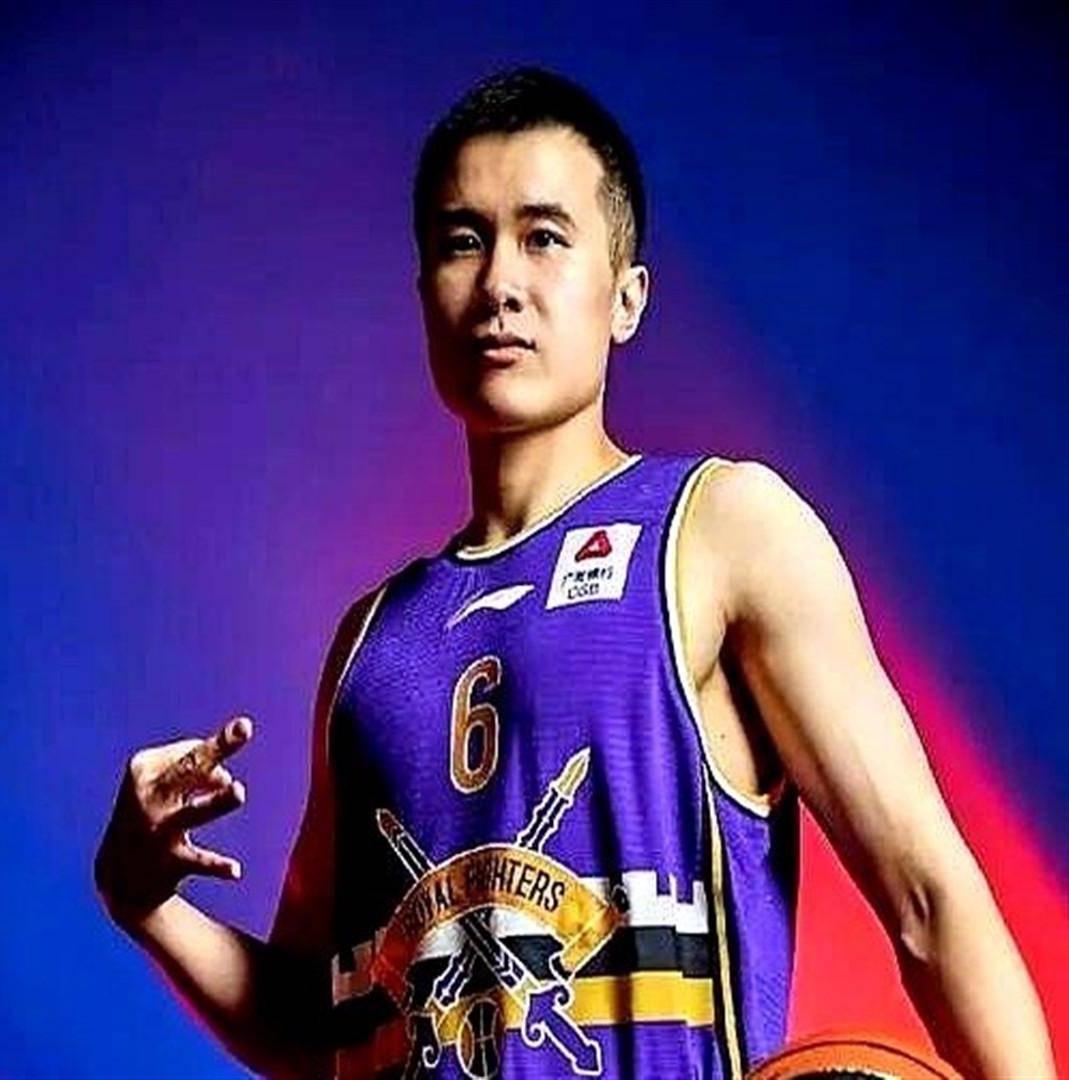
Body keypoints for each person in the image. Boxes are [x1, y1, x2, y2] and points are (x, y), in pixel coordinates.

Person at [95, 67, 1054, 1080]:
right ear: (424, 298)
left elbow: (925, 897)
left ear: (626, 296)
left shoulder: (722, 530)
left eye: (545, 236)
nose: (499, 284)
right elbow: (322, 1021)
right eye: (463, 241)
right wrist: (141, 898)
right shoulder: (373, 641)